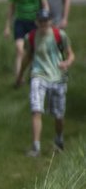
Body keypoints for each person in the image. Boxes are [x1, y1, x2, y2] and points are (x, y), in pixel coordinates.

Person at [15, 9, 75, 157]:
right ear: (37, 22)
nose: (43, 24)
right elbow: (27, 58)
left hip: (58, 78)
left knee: (58, 114)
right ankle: (36, 146)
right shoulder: (31, 37)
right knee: (36, 110)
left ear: (50, 21)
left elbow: (71, 54)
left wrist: (67, 63)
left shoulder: (59, 35)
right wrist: (20, 76)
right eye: (40, 21)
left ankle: (59, 138)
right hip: (38, 75)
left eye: (46, 21)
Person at [6, 0, 50, 83]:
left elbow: (45, 3)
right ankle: (19, 77)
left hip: (34, 23)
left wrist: (46, 21)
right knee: (19, 49)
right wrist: (7, 26)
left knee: (34, 50)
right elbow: (11, 7)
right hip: (20, 21)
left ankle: (32, 73)